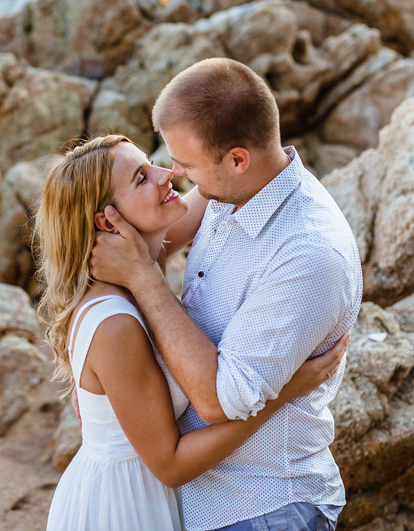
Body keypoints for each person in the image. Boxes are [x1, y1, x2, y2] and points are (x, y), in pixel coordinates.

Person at [90, 57, 363, 531]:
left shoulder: (307, 255)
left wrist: (145, 279)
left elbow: (219, 401)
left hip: (264, 505)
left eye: (186, 165)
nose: (175, 175)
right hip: (200, 503)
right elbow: (153, 233)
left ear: (238, 159)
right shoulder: (234, 191)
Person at [35, 134, 350, 530]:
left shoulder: (145, 264)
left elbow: (229, 178)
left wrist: (259, 146)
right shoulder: (116, 322)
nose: (167, 173)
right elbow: (170, 464)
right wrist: (282, 390)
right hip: (125, 505)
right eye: (141, 178)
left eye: (151, 162)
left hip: (156, 496)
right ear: (108, 220)